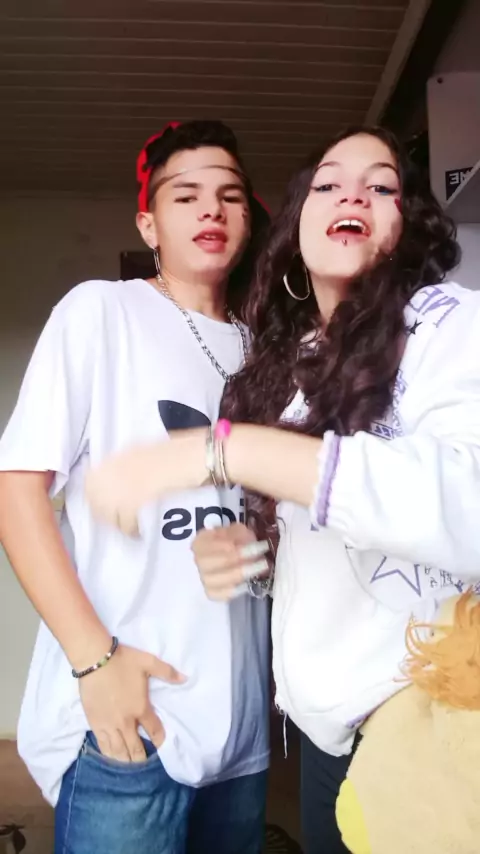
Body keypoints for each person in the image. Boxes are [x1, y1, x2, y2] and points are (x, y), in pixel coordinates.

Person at [84, 125, 480, 854]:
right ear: (298, 225)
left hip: (426, 727)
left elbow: (467, 499)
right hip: (326, 738)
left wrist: (222, 450)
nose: (352, 194)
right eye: (328, 183)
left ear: (409, 223)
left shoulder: (449, 323)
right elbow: (331, 558)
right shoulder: (297, 368)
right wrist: (252, 557)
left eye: (381, 185)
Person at [0, 120, 271, 854]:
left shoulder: (264, 350)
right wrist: (96, 663)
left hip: (239, 733)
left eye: (230, 196)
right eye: (186, 196)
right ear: (149, 224)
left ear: (248, 219)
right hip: (130, 717)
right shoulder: (102, 311)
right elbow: (17, 490)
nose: (211, 209)